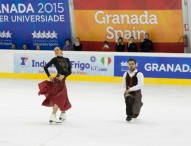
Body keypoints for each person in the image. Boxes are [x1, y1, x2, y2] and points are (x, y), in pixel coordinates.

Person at [38, 47, 72, 124]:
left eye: (57, 50)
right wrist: (49, 76)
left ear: (61, 51)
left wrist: (63, 76)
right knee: (59, 97)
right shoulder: (55, 59)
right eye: (55, 50)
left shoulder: (67, 59)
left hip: (62, 80)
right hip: (58, 80)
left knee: (64, 97)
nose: (56, 51)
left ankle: (63, 113)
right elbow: (45, 67)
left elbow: (70, 71)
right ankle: (53, 115)